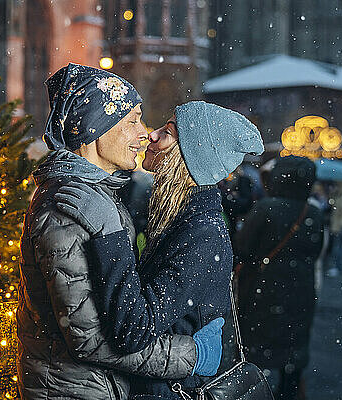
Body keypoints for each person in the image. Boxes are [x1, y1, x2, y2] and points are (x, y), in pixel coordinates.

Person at [17, 64, 222, 400]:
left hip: (98, 387)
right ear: (95, 130)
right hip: (73, 391)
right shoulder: (67, 208)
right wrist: (192, 355)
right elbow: (89, 339)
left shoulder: (97, 196)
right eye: (132, 122)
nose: (144, 134)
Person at [54, 101, 265, 399]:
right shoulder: (181, 216)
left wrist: (108, 233)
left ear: (189, 155)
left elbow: (133, 329)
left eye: (168, 132)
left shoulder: (201, 234)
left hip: (170, 391)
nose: (152, 135)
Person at [234, 156, 324, 400]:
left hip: (263, 288)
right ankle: (288, 392)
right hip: (301, 291)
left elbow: (242, 247)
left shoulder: (266, 208)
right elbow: (315, 252)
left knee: (256, 348)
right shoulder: (313, 213)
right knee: (293, 350)